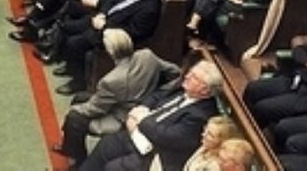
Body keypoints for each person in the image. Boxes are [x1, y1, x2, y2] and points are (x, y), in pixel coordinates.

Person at [54, 29, 180, 165]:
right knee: (80, 97)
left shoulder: (111, 81)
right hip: (142, 105)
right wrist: (161, 93)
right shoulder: (147, 55)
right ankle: (70, 147)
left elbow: (95, 109)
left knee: (74, 118)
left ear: (110, 51)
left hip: (120, 116)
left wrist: (74, 109)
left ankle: (78, 159)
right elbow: (175, 71)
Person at [79, 60, 223, 171]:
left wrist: (141, 120)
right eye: (190, 73)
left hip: (156, 155)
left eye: (194, 77)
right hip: (140, 134)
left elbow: (166, 137)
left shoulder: (201, 116)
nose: (187, 76)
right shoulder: (183, 89)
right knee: (107, 144)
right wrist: (143, 107)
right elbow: (157, 95)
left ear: (204, 90)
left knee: (114, 168)